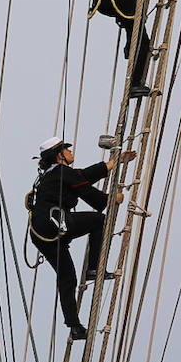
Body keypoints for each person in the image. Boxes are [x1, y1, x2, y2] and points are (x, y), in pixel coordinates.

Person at [27, 137, 136, 340]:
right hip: (55, 224)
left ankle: (75, 327)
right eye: (67, 150)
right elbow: (88, 193)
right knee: (98, 220)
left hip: (41, 233)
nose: (70, 151)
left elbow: (82, 176)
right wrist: (113, 199)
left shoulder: (51, 174)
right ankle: (94, 269)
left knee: (67, 277)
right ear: (60, 155)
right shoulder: (61, 172)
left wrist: (114, 162)